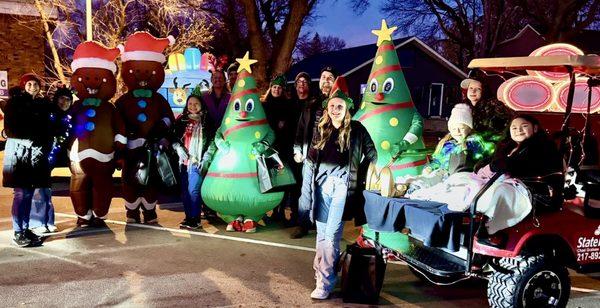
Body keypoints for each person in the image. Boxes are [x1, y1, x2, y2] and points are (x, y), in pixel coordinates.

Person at [299, 77, 377, 300]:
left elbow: (373, 155)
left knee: (332, 235)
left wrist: (358, 176)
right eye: (332, 106)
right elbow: (310, 162)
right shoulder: (320, 130)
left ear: (347, 109)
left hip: (343, 188)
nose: (335, 110)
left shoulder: (357, 130)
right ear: (328, 108)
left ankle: (324, 282)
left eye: (340, 106)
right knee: (322, 236)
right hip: (322, 187)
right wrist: (306, 195)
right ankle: (324, 274)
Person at [3, 73, 55, 247]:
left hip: (35, 156)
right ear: (23, 85)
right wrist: (31, 141)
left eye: (35, 84)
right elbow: (10, 130)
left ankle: (25, 229)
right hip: (20, 156)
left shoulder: (41, 105)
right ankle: (18, 232)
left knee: (30, 193)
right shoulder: (15, 103)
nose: (33, 87)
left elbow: (48, 127)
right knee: (21, 194)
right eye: (29, 84)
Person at [400, 103, 493, 193]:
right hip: (443, 173)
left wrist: (463, 146)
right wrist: (430, 167)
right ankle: (411, 185)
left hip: (462, 175)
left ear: (469, 128)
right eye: (453, 129)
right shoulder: (447, 144)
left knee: (439, 182)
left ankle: (419, 188)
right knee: (432, 176)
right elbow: (437, 161)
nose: (457, 131)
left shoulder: (474, 142)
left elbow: (473, 155)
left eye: (462, 128)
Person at [291, 67, 337, 239]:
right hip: (310, 156)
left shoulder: (340, 102)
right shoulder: (312, 103)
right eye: (323, 77)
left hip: (330, 159)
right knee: (306, 192)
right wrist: (297, 149)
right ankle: (302, 224)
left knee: (325, 192)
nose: (326, 81)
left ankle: (323, 225)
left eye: (330, 78)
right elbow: (301, 128)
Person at [30, 85, 74, 234]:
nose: (65, 102)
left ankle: (48, 220)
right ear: (56, 99)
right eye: (62, 98)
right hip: (40, 154)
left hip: (51, 157)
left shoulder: (67, 118)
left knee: (47, 189)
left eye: (68, 100)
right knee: (38, 189)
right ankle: (36, 222)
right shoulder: (48, 114)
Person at [172, 88, 215, 229]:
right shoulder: (181, 120)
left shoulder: (207, 121)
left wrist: (207, 157)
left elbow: (212, 141)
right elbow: (173, 137)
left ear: (201, 104)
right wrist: (177, 147)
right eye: (190, 103)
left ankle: (195, 219)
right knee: (184, 191)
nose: (192, 106)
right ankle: (188, 217)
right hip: (183, 162)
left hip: (198, 161)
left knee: (193, 190)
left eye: (196, 103)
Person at [263, 75, 298, 223]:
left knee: (282, 181)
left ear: (283, 89)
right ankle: (267, 210)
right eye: (274, 87)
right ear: (271, 88)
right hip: (268, 147)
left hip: (283, 148)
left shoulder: (288, 105)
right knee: (268, 180)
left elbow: (291, 126)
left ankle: (281, 211)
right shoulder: (264, 104)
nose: (276, 90)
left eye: (279, 87)